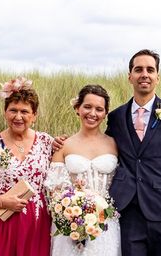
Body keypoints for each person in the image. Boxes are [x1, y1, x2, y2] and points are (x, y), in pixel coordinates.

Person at [105, 49, 161, 256]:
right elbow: (103, 148)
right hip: (128, 212)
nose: (144, 74)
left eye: (150, 70)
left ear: (157, 77)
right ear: (130, 76)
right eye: (138, 69)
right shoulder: (116, 117)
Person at [0, 77, 53, 256]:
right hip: (1, 222)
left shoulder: (47, 142)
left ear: (34, 115)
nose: (18, 117)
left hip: (37, 225)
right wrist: (3, 201)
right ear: (5, 112)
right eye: (13, 110)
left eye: (24, 111)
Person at [46, 84, 120, 256]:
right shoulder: (63, 145)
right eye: (87, 107)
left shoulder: (115, 144)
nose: (92, 113)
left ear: (105, 113)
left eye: (99, 109)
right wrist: (72, 203)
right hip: (71, 223)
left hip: (105, 224)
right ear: (77, 108)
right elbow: (53, 189)